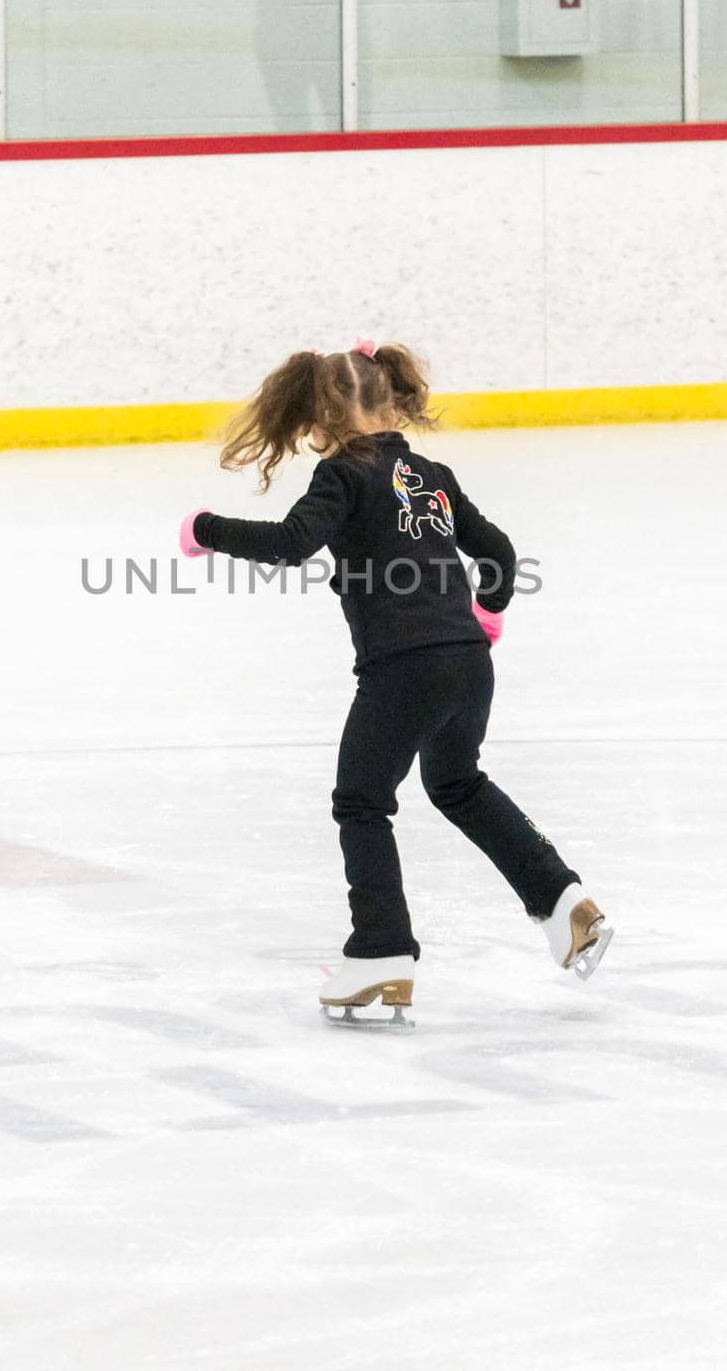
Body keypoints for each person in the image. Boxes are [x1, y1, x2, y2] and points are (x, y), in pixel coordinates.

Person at [179, 339, 612, 1024]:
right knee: (457, 783)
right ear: (390, 398)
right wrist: (487, 619)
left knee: (361, 800)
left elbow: (291, 544)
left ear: (320, 416)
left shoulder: (341, 474)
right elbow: (496, 553)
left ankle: (380, 952)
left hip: (402, 668)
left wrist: (206, 529)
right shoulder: (431, 473)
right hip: (468, 665)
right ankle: (563, 902)